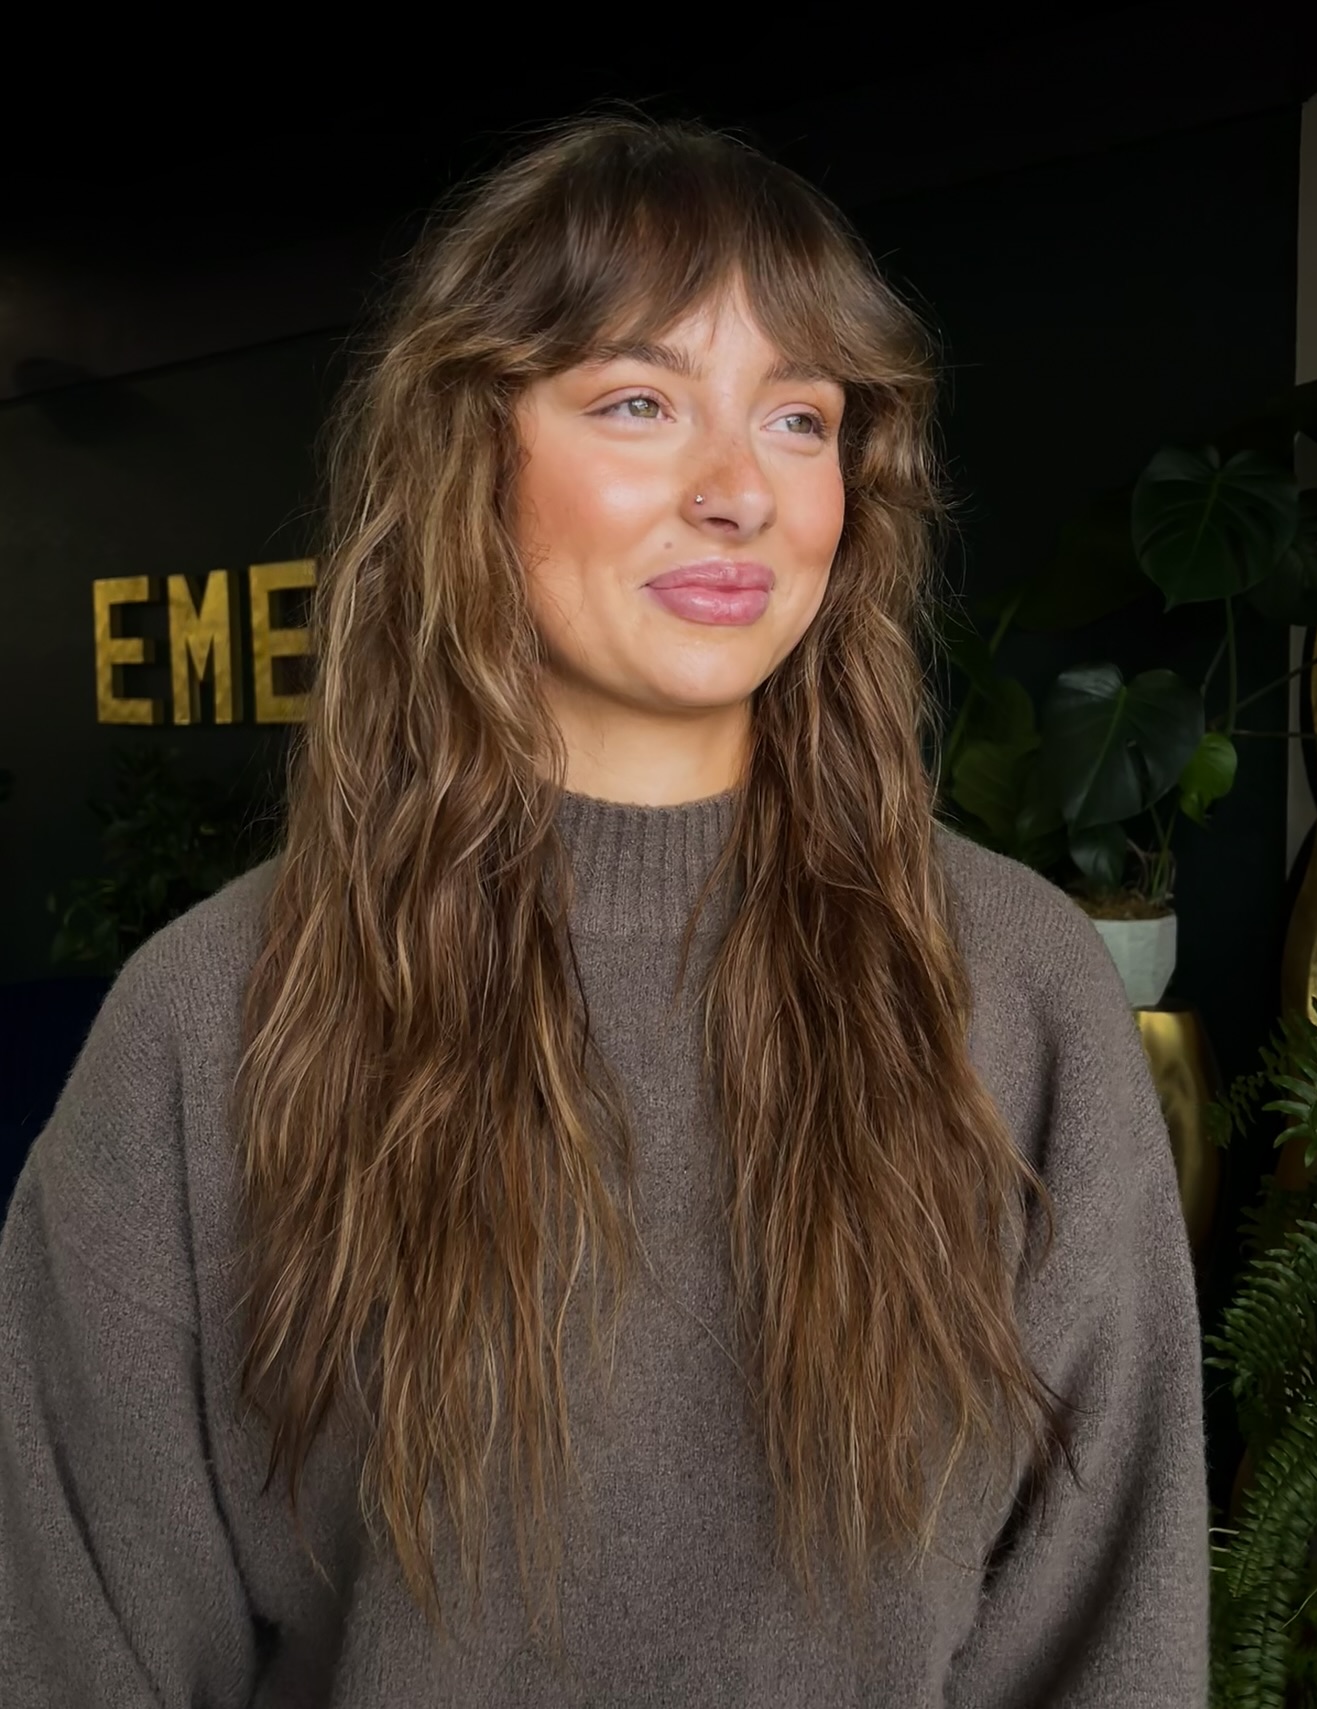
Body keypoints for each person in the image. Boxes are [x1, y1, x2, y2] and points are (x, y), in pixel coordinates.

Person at [0, 116, 1209, 1706]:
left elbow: (1106, 1629)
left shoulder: (1014, 984)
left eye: (797, 416)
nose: (739, 494)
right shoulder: (209, 1014)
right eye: (640, 400)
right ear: (471, 454)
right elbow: (78, 1650)